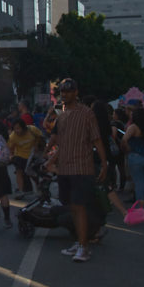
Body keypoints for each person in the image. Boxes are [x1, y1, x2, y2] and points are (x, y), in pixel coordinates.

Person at [46, 78, 106, 263]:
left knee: (79, 207)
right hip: (64, 168)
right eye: (62, 91)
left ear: (76, 93)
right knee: (71, 207)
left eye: (69, 91)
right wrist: (49, 157)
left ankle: (83, 247)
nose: (65, 94)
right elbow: (59, 142)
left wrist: (104, 163)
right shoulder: (62, 115)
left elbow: (96, 139)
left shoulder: (87, 114)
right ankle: (79, 241)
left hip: (81, 167)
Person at [122, 108, 144, 203]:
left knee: (138, 183)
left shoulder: (133, 127)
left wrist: (128, 149)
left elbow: (124, 140)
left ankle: (141, 207)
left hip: (136, 156)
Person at [7, 118, 45, 198]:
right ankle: (21, 191)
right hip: (20, 156)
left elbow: (40, 137)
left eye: (18, 128)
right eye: (15, 129)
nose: (17, 131)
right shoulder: (13, 137)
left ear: (23, 127)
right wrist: (11, 156)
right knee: (19, 171)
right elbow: (10, 148)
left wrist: (37, 146)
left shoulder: (32, 129)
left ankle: (39, 188)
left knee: (33, 173)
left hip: (33, 156)